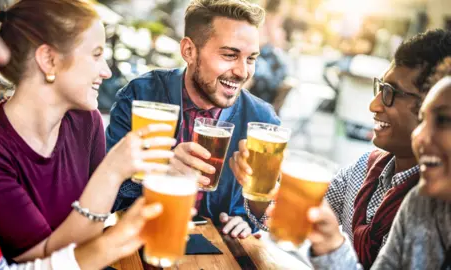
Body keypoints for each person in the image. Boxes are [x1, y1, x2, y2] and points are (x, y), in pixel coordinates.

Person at [0, 0, 176, 262]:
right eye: (96, 54)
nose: (106, 71)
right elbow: (39, 259)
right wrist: (111, 172)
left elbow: (96, 227)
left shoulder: (86, 122)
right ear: (49, 59)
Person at [230, 29, 451, 267]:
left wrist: (333, 248)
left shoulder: (431, 199)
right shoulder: (366, 170)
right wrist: (261, 189)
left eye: (391, 93)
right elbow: (293, 221)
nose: (373, 105)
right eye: (381, 88)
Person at [106, 0, 280, 238]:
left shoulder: (262, 120)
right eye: (230, 55)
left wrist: (249, 220)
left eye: (250, 59)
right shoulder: (140, 96)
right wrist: (158, 176)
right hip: (143, 240)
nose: (243, 72)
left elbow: (268, 216)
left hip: (219, 251)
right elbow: (108, 197)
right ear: (189, 51)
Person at [309, 56, 451, 269]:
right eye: (423, 119)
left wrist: (332, 250)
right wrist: (260, 192)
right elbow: (306, 212)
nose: (419, 136)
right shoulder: (419, 204)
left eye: (443, 120)